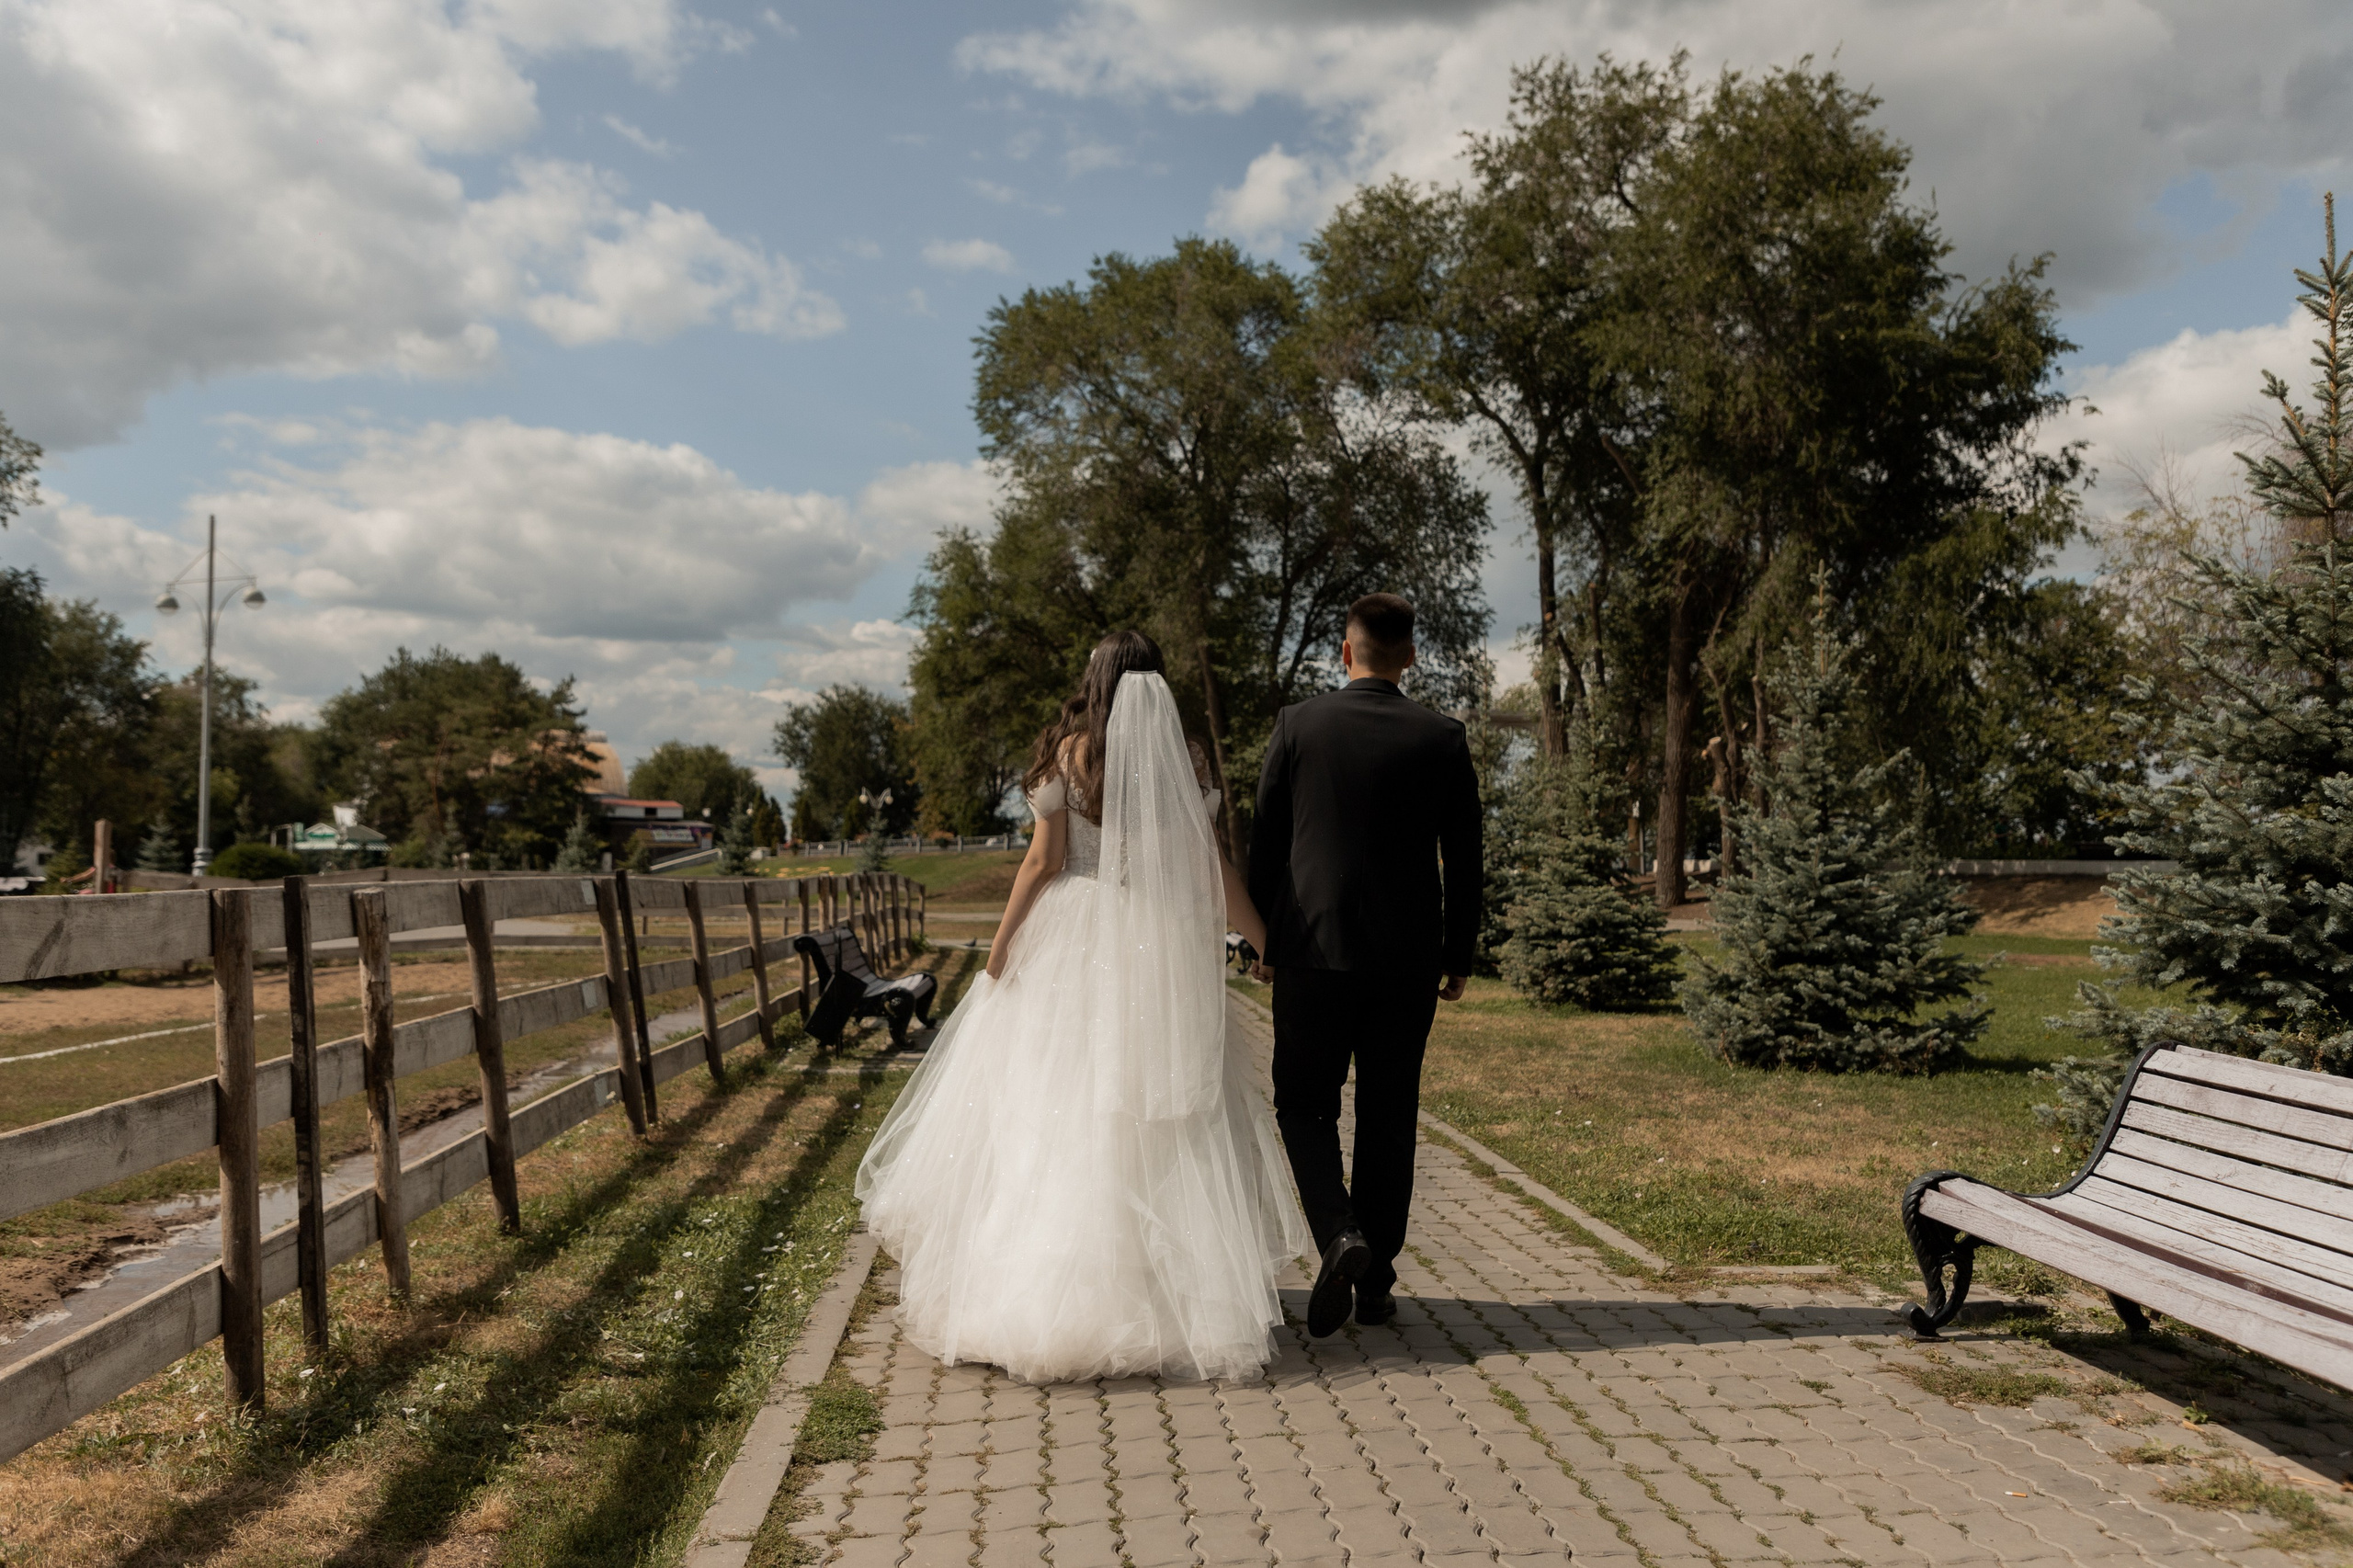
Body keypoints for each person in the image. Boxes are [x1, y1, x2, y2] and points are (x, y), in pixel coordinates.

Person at [856, 631, 1313, 1383]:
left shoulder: (1068, 754)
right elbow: (1208, 862)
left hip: (1071, 940)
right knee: (1159, 1112)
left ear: (1094, 681)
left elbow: (1044, 861)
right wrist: (1264, 942)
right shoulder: (1187, 757)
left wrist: (1001, 945)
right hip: (1156, 943)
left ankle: (1045, 1300)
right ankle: (1166, 1300)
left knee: (1056, 1109)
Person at [1248, 592, 1483, 1336]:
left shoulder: (1298, 724)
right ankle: (1375, 1280)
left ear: (1344, 652)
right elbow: (1465, 857)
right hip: (1406, 962)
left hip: (1312, 951)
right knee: (1389, 1113)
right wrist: (1459, 952)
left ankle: (1338, 1233)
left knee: (1302, 1104)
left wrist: (1260, 941)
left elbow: (1266, 838)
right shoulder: (1442, 737)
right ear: (1409, 656)